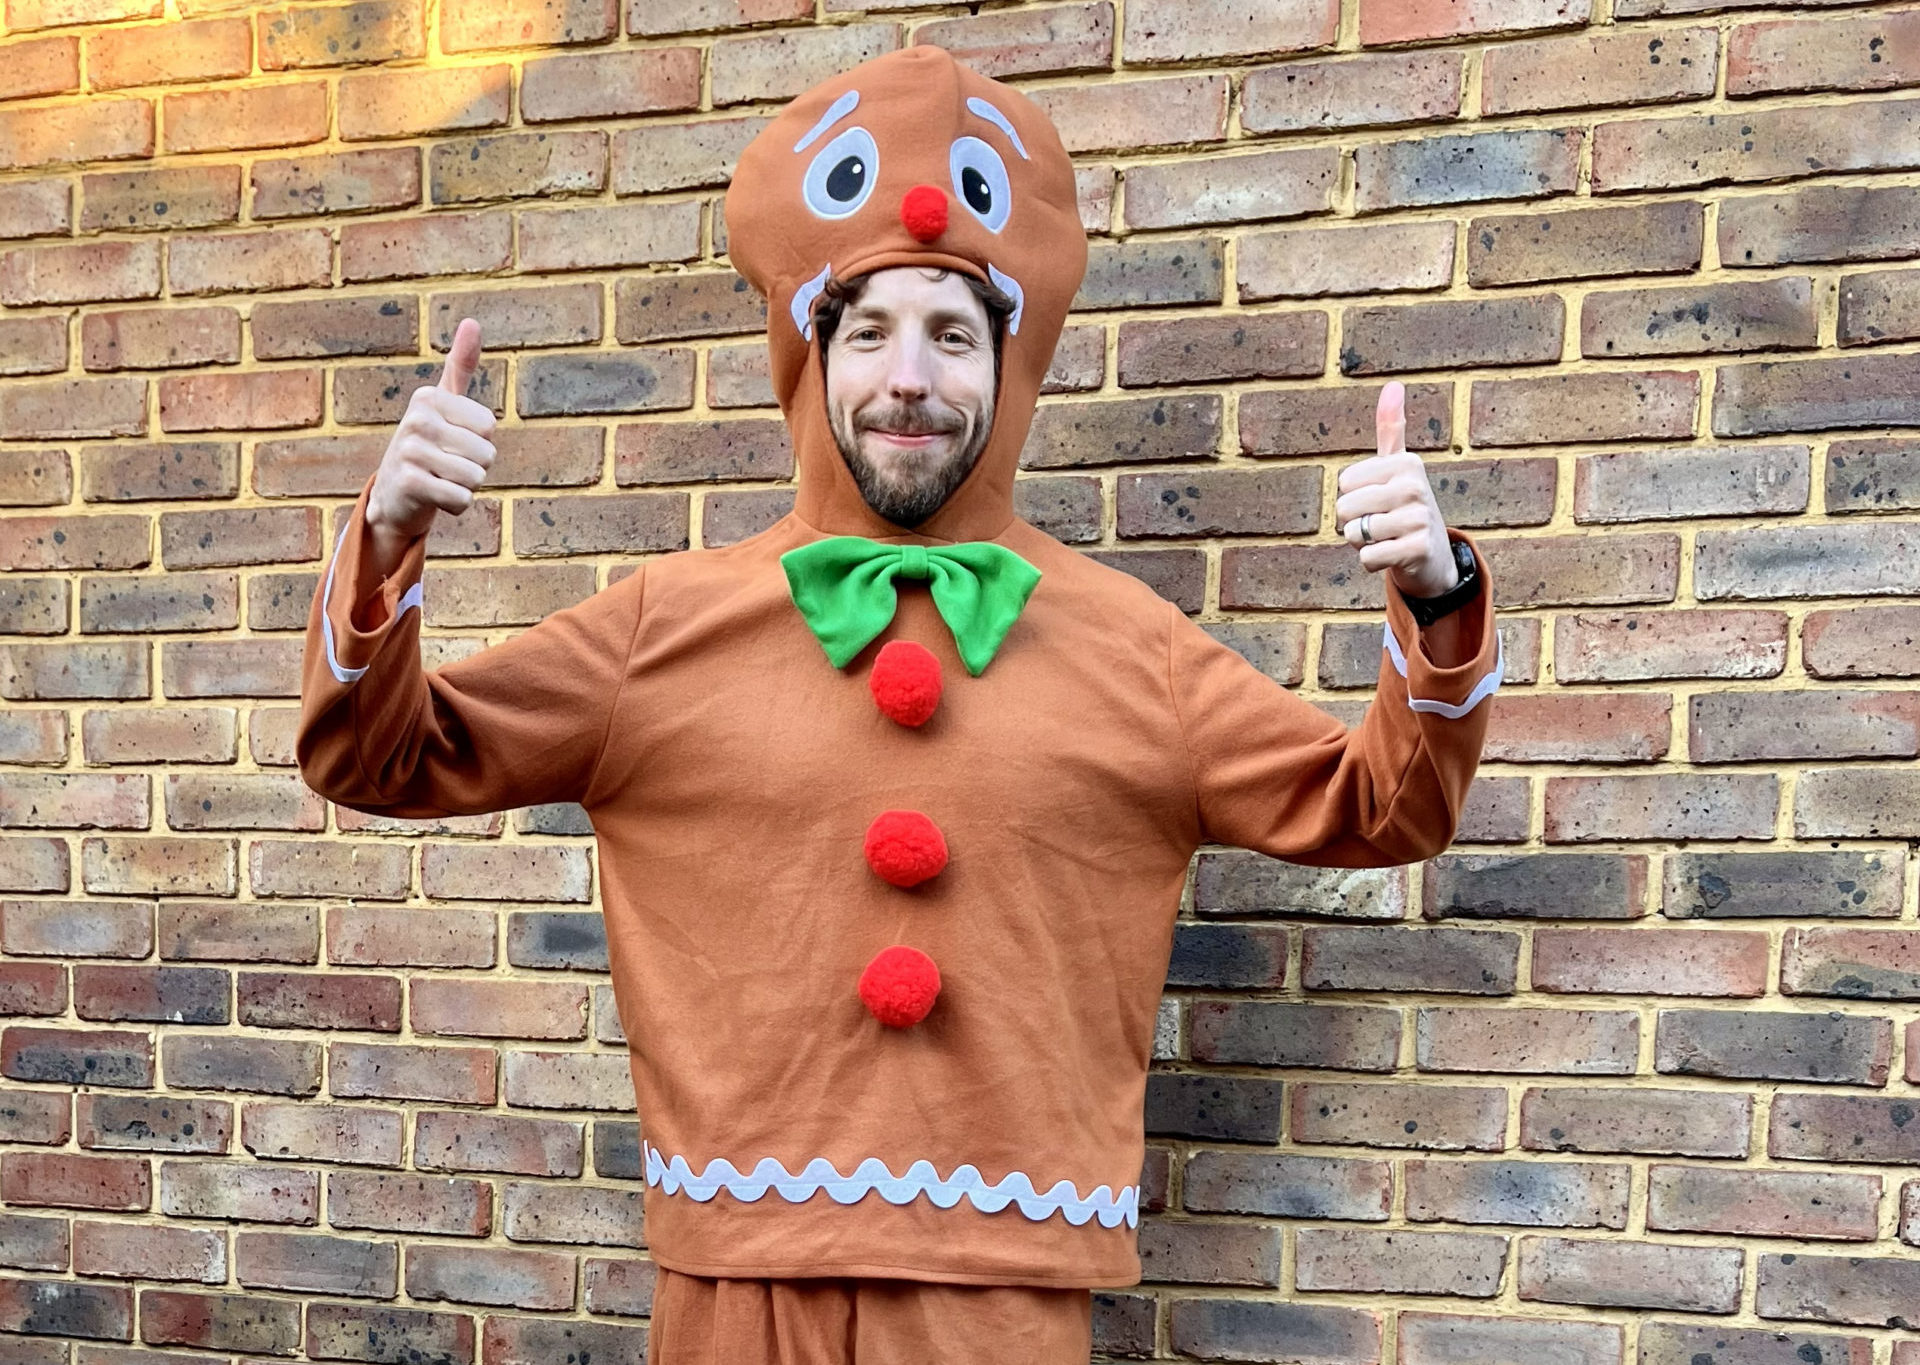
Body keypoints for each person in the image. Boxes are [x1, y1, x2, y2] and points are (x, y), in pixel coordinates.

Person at [298, 44, 1501, 1365]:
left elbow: (1386, 807)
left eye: (950, 332)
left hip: (1001, 1297)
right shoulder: (661, 628)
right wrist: (388, 534)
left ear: (1011, 359)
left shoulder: (1134, 648)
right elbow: (380, 755)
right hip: (736, 1292)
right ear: (812, 356)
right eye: (868, 330)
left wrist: (1436, 600)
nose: (908, 377)